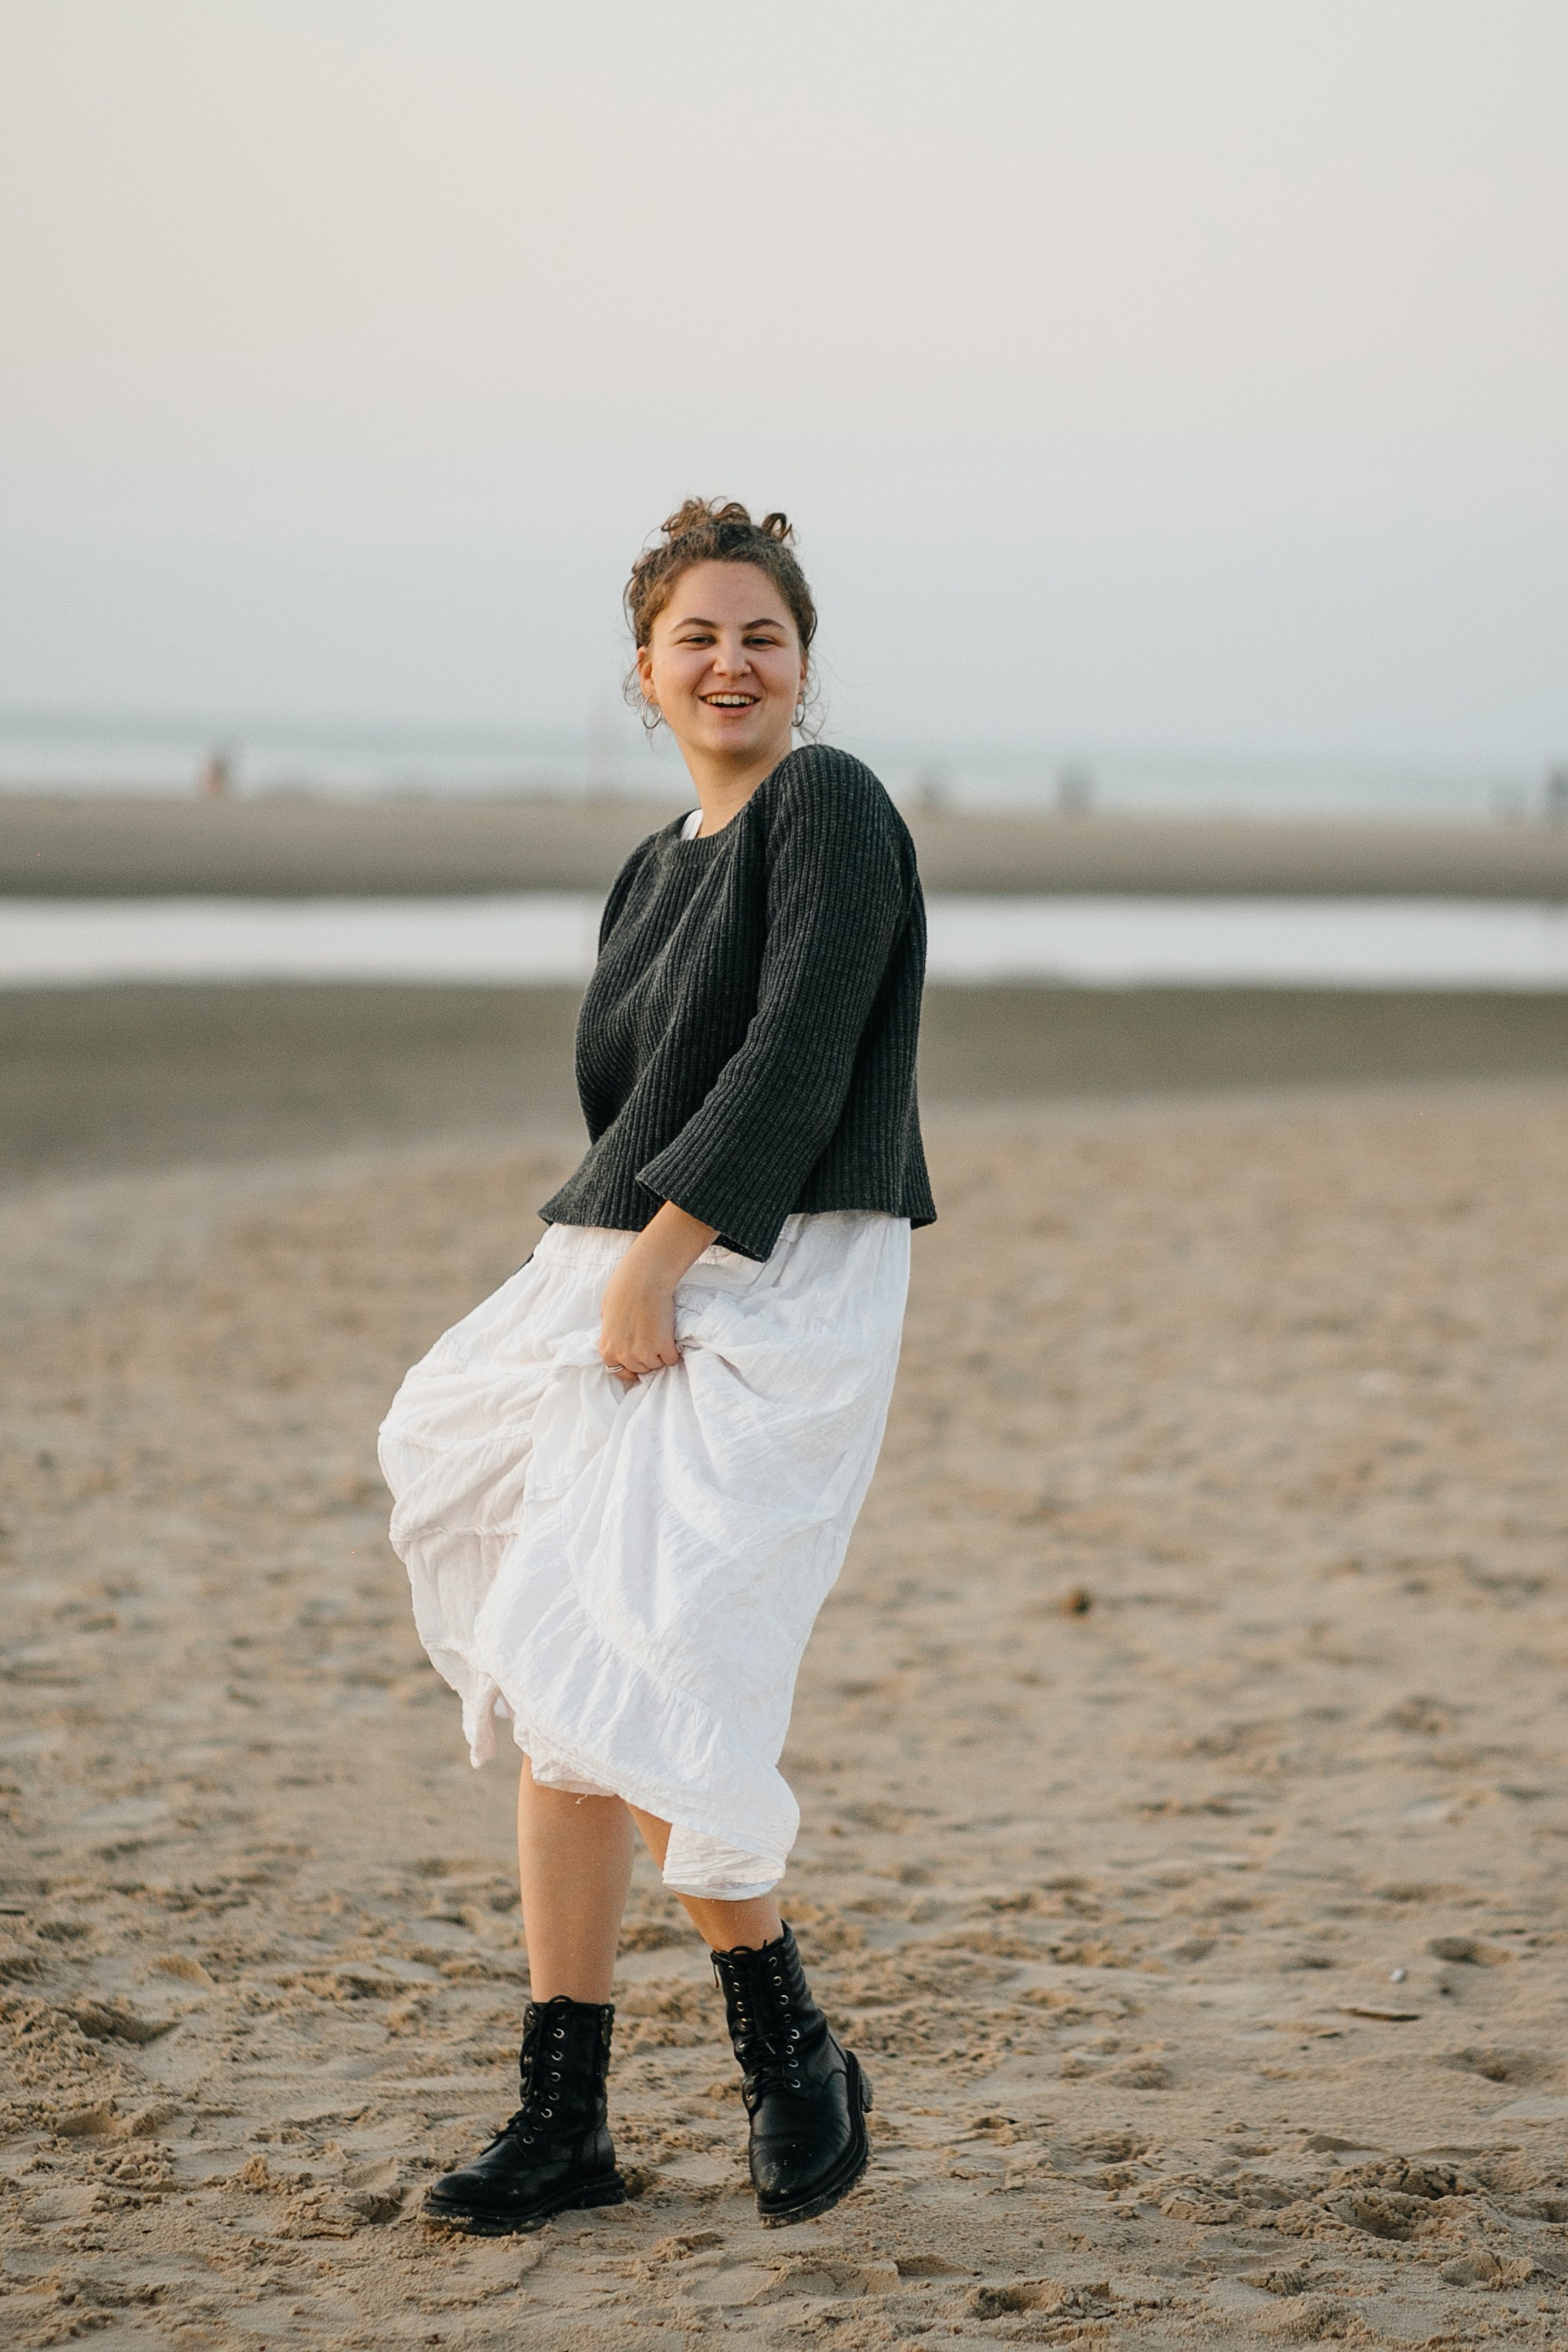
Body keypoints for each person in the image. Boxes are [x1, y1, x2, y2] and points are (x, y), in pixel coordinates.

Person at [379, 498, 934, 2236]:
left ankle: (789, 2048)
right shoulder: (651, 865)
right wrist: (617, 1270)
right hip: (626, 1260)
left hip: (768, 1266)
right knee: (562, 1666)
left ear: (804, 662)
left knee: (662, 1650)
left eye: (761, 633)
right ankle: (569, 2120)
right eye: (696, 636)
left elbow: (798, 1046)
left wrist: (665, 1261)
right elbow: (619, 1102)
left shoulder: (830, 807)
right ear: (644, 672)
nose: (731, 661)